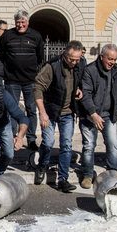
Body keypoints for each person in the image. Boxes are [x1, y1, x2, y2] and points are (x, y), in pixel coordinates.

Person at [78, 44, 117, 189]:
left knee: (113, 144)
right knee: (89, 146)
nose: (112, 62)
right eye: (109, 59)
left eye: (114, 59)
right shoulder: (90, 70)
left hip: (109, 115)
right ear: (101, 57)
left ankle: (113, 173)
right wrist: (93, 114)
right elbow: (86, 94)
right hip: (90, 116)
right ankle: (88, 175)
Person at [33, 41, 84, 193]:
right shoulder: (52, 66)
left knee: (66, 145)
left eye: (77, 59)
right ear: (64, 55)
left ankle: (63, 179)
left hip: (68, 112)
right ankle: (42, 165)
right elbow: (38, 87)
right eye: (71, 59)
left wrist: (79, 89)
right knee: (48, 142)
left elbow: (81, 81)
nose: (74, 62)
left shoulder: (79, 65)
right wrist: (42, 112)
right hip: (50, 111)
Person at [0, 10, 44, 151]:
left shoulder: (36, 36)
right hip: (12, 80)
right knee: (12, 110)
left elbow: (40, 57)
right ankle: (12, 137)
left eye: (23, 22)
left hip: (30, 80)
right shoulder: (7, 35)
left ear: (27, 22)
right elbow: (1, 55)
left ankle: (31, 139)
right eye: (18, 22)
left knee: (31, 110)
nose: (20, 25)